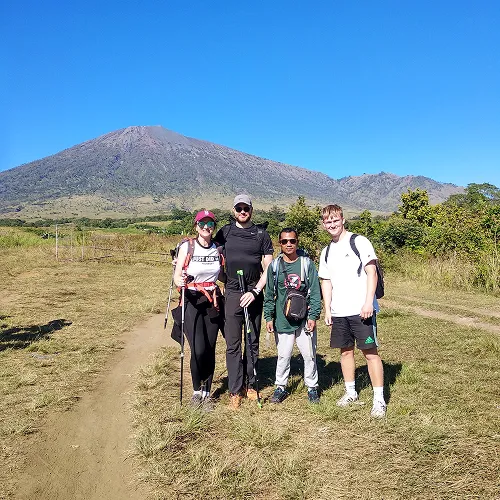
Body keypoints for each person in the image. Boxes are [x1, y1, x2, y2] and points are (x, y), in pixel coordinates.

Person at [318, 204, 387, 418]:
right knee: (345, 352)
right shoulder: (326, 251)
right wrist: (328, 309)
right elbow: (326, 281)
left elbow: (372, 271)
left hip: (361, 310)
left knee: (370, 354)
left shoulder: (359, 241)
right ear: (323, 224)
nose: (332, 224)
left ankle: (379, 399)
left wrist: (368, 303)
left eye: (335, 220)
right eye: (327, 221)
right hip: (339, 312)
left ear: (342, 220)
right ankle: (351, 393)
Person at [214, 194, 274, 409]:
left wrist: (256, 291)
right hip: (231, 292)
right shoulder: (225, 232)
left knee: (252, 341)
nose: (242, 211)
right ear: (233, 210)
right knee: (233, 344)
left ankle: (251, 384)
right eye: (238, 208)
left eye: (245, 208)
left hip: (253, 293)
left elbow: (269, 268)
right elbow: (212, 258)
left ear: (251, 209)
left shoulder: (261, 235)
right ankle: (234, 389)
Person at [264, 228, 321, 404]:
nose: (289, 244)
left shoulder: (307, 264)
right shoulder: (273, 266)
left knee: (309, 355)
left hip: (304, 319)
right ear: (279, 243)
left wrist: (313, 316)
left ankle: (312, 388)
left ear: (297, 242)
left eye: (292, 241)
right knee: (283, 355)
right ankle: (280, 387)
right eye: (284, 241)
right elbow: (269, 294)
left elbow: (315, 292)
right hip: (282, 320)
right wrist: (268, 317)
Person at [173, 210, 223, 408]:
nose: (206, 227)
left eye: (210, 224)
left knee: (210, 349)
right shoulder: (188, 246)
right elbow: (177, 275)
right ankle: (196, 392)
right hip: (191, 300)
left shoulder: (218, 249)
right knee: (198, 349)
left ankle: (207, 392)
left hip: (211, 301)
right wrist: (181, 281)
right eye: (202, 224)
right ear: (196, 226)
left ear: (213, 228)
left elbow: (222, 275)